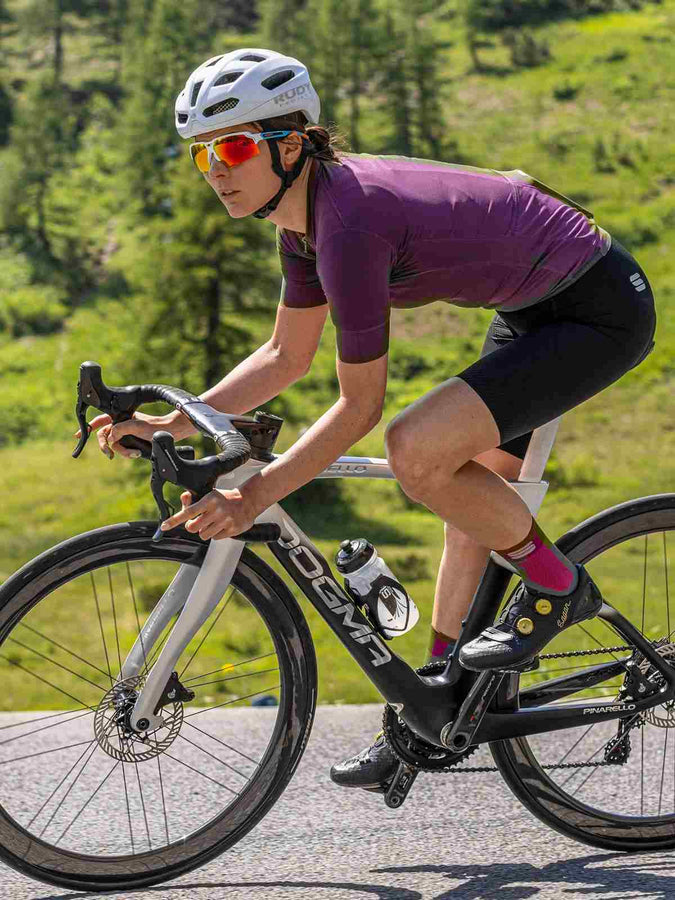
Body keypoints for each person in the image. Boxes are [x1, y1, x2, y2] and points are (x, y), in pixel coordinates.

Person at [84, 47, 657, 792]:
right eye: (203, 154)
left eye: (234, 149)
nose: (216, 170)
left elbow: (360, 406)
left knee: (415, 449)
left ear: (290, 146)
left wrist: (255, 495)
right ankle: (435, 708)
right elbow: (284, 356)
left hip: (595, 310)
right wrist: (173, 426)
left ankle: (558, 588)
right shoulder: (302, 223)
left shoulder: (348, 225)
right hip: (533, 307)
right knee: (471, 503)